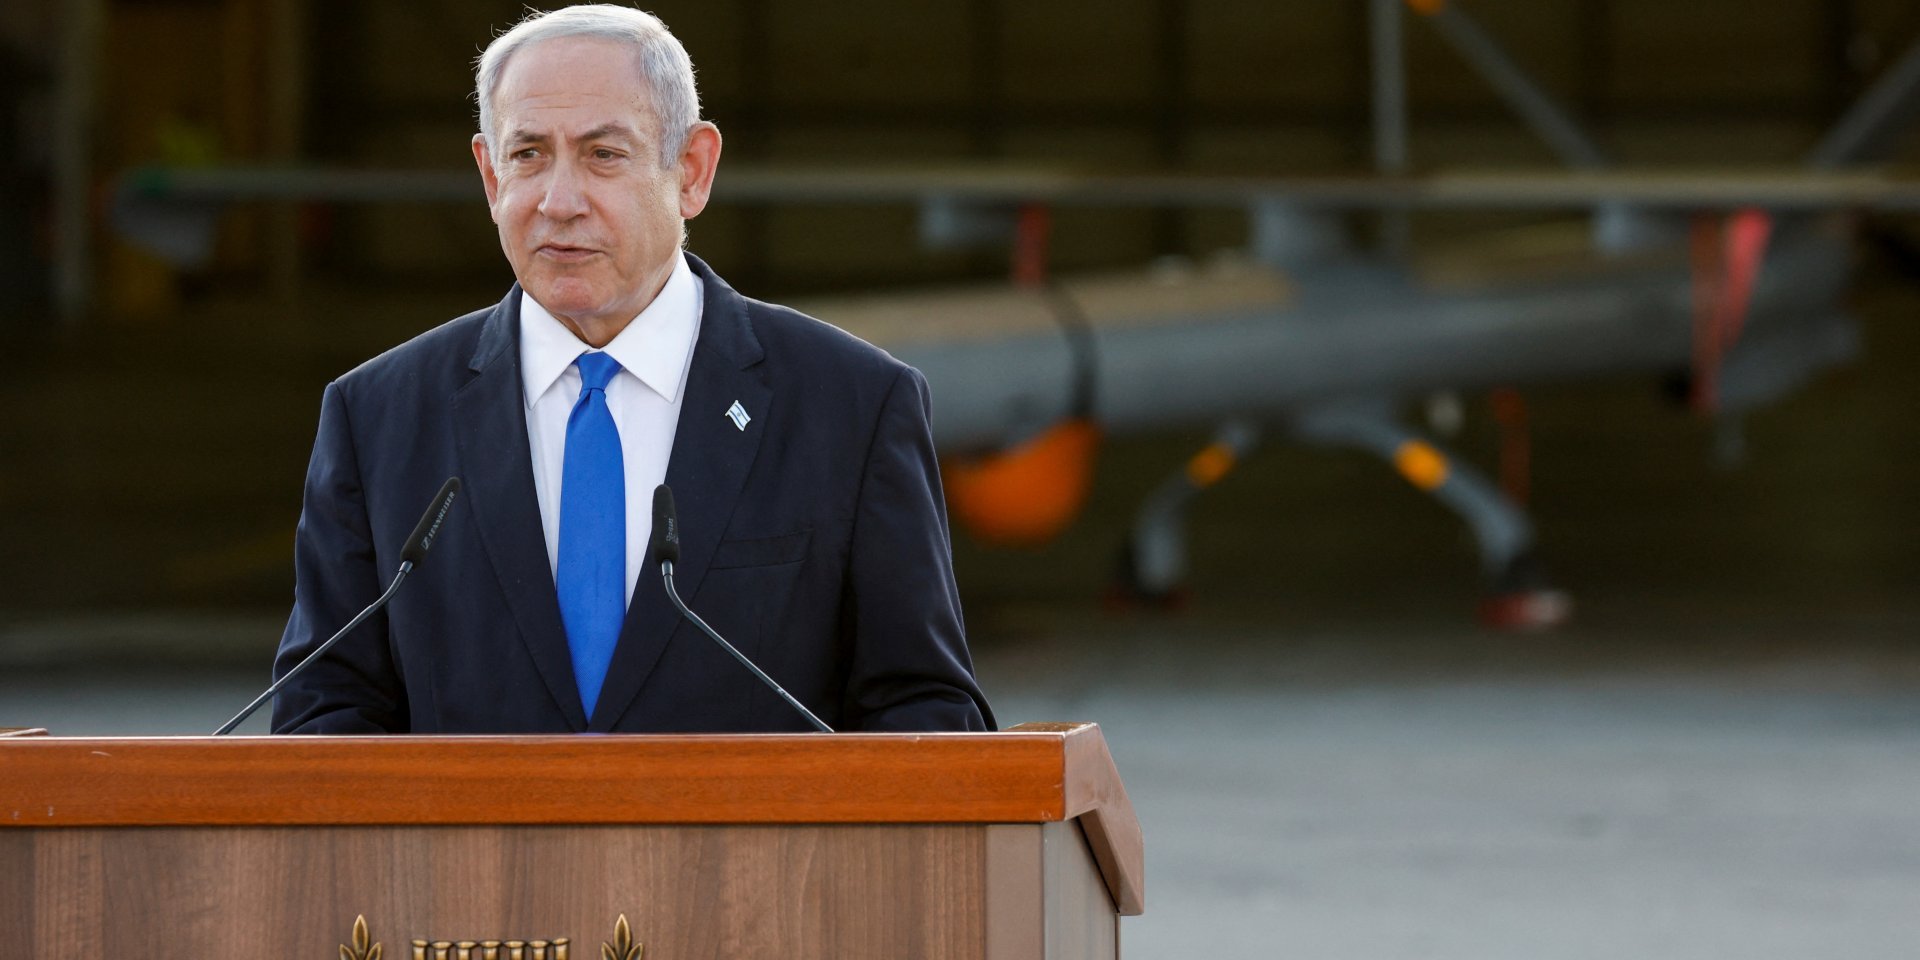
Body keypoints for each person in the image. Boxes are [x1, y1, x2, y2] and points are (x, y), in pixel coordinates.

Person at [270, 4, 993, 734]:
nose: (559, 202)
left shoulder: (853, 406)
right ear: (489, 177)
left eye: (603, 154)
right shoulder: (377, 417)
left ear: (692, 172)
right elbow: (322, 713)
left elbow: (925, 712)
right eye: (528, 155)